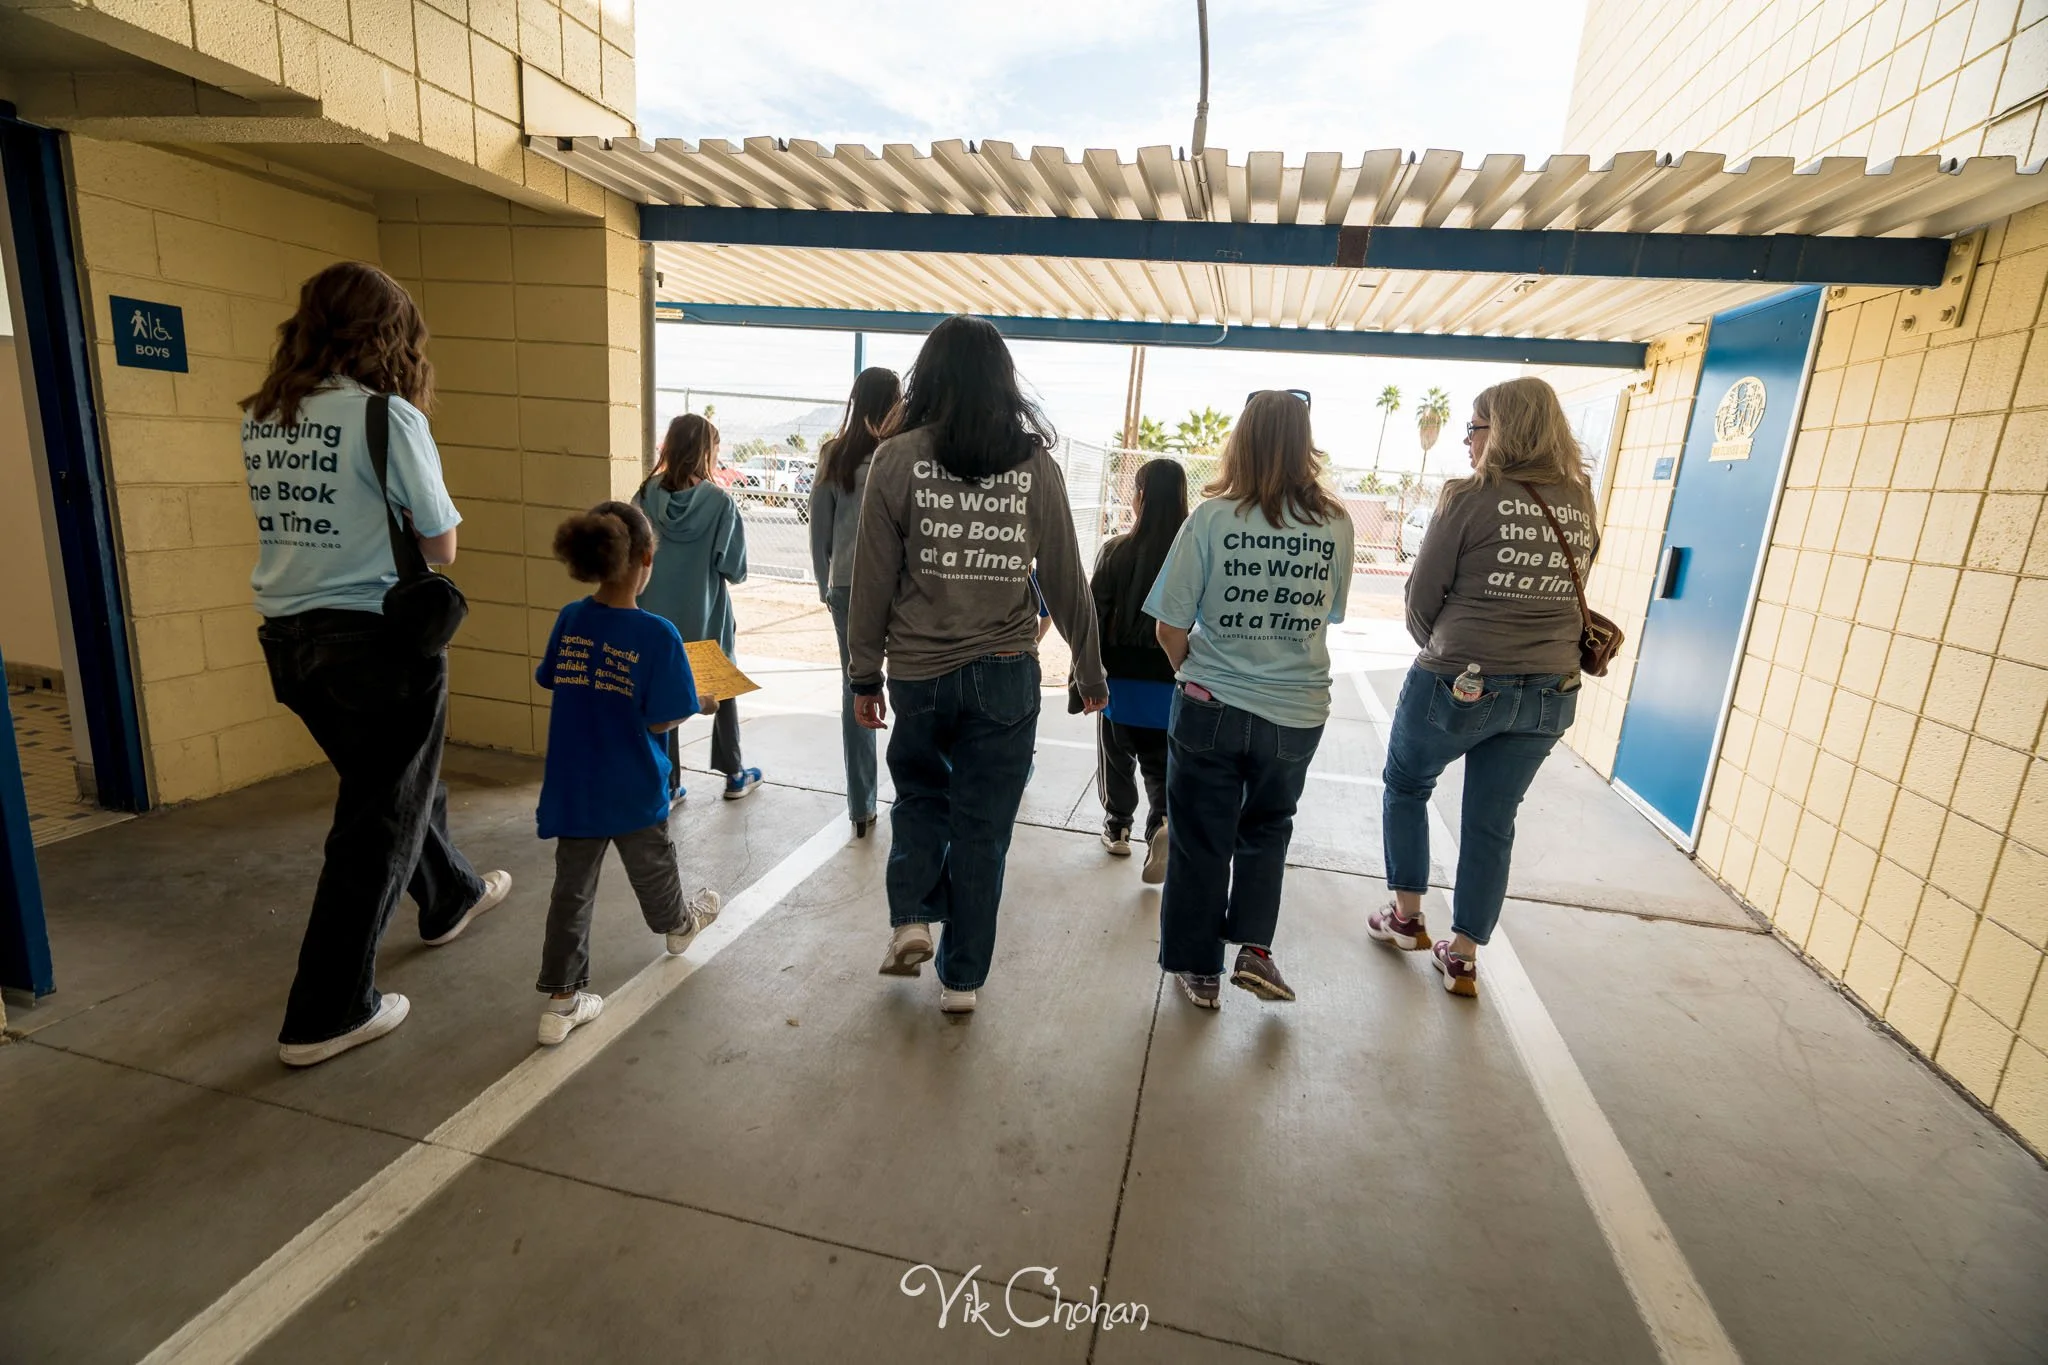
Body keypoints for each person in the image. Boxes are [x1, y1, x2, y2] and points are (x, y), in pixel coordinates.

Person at [240, 261, 511, 1068]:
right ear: (389, 338)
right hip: (377, 643)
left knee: (390, 785)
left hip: (291, 645)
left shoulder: (265, 413)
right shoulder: (386, 416)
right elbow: (440, 542)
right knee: (376, 823)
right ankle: (325, 1011)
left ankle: (450, 894)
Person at [847, 315, 1108, 1015]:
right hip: (1003, 672)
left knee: (923, 798)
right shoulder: (1034, 466)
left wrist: (862, 675)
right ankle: (962, 981)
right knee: (984, 828)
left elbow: (871, 580)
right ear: (1003, 382)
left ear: (926, 378)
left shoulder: (895, 460)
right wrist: (1089, 670)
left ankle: (910, 916)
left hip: (920, 673)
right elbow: (1066, 577)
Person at [1367, 377, 1598, 999]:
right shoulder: (1580, 498)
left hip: (1461, 679)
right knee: (1492, 822)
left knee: (1408, 785)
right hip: (1552, 689)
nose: (1469, 441)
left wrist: (1441, 647)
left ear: (1505, 429)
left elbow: (1421, 598)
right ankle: (1463, 957)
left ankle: (1407, 917)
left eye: (1476, 426)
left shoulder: (1468, 497)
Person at [1146, 391, 1354, 1010]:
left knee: (1201, 839)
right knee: (1268, 829)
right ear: (1304, 442)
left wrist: (1199, 678)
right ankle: (1255, 949)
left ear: (1240, 440)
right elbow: (1330, 614)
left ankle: (1200, 972)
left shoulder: (1212, 517)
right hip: (1297, 712)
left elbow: (1168, 625)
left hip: (1212, 706)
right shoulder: (1335, 524)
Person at [532, 502, 723, 1045]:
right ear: (645, 560)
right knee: (653, 867)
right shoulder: (657, 634)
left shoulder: (570, 618)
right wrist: (701, 702)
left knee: (571, 891)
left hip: (573, 783)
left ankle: (561, 1000)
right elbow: (662, 714)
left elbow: (555, 677)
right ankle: (680, 926)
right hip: (633, 782)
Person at [637, 414, 760, 802]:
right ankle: (735, 774)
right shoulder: (720, 502)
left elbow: (632, 548)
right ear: (707, 451)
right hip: (705, 613)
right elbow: (734, 569)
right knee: (720, 687)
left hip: (654, 614)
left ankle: (669, 784)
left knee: (662, 693)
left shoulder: (645, 494)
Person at [810, 367, 901, 837]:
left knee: (858, 691)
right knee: (908, 689)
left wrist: (826, 586)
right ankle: (912, 795)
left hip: (846, 586)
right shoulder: (904, 453)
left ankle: (862, 805)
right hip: (902, 590)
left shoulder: (834, 455)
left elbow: (819, 533)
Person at [1091, 459, 1189, 883]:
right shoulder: (1192, 553)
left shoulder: (1115, 551)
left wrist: (1087, 673)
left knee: (1116, 753)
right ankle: (1162, 823)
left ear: (1141, 498)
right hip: (1173, 675)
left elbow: (1093, 614)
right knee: (1159, 760)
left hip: (1119, 678)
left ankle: (1117, 825)